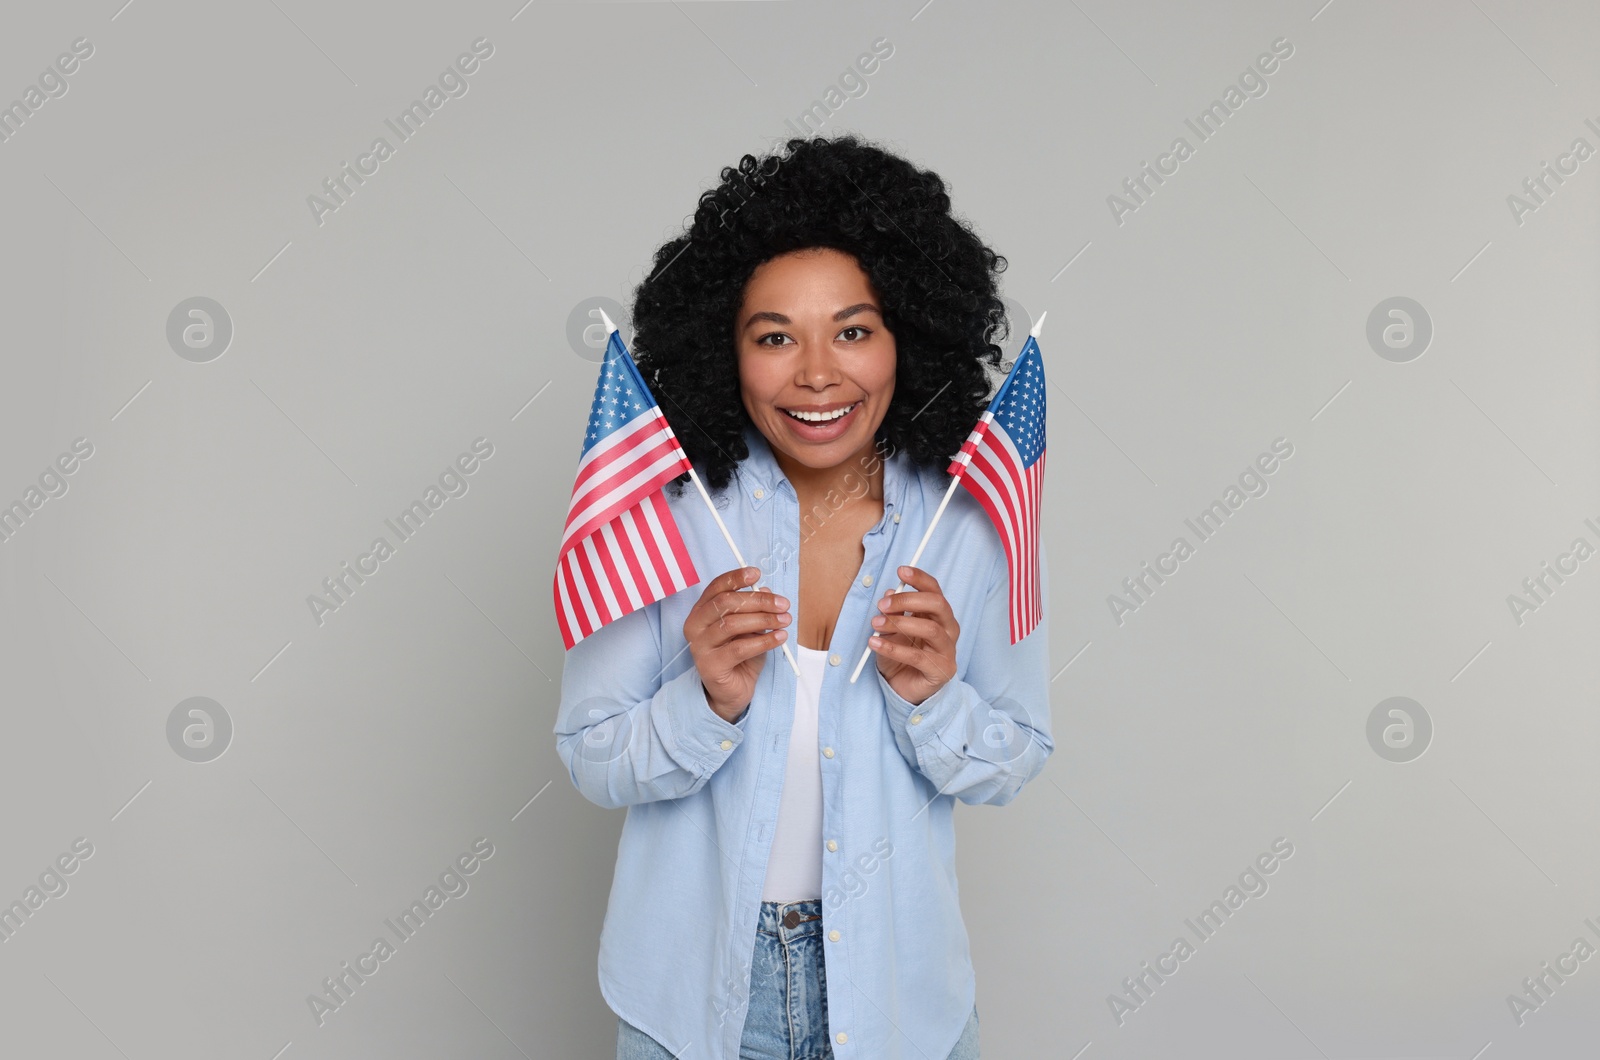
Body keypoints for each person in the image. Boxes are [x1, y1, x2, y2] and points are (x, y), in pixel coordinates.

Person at [554, 133, 1053, 1060]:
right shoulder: (665, 512)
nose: (817, 372)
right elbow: (591, 755)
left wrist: (937, 699)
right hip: (692, 995)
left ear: (910, 333)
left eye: (853, 331)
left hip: (900, 998)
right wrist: (704, 699)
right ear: (724, 348)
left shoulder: (971, 522)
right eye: (775, 336)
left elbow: (1015, 757)